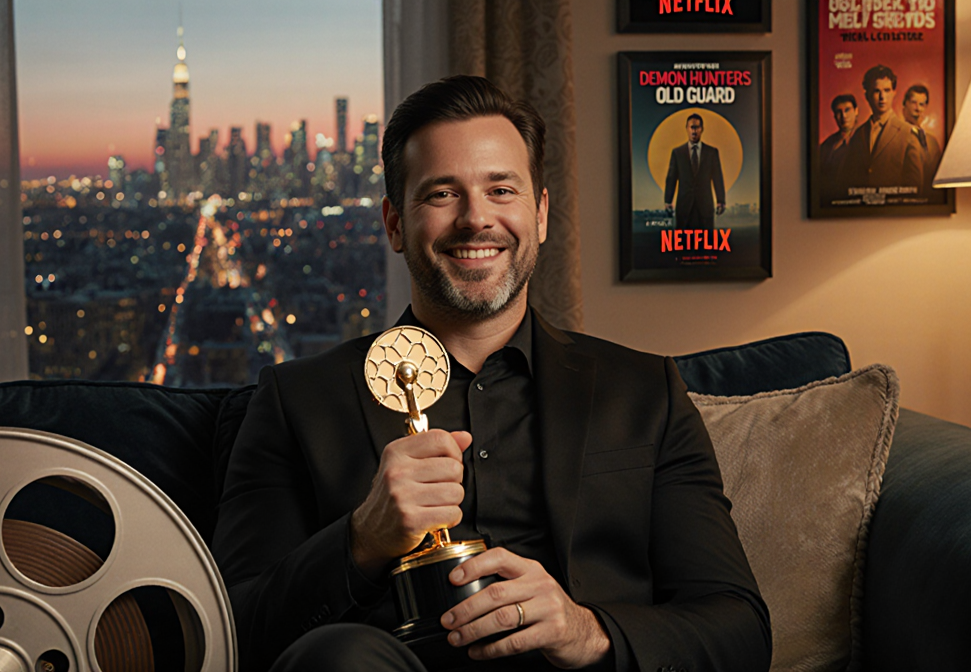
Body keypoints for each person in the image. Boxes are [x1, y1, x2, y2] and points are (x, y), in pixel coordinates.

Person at [212, 75, 771, 672]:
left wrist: (587, 631)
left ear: (542, 213)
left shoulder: (645, 394)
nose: (476, 219)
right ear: (395, 224)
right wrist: (360, 541)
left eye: (501, 190)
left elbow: (738, 630)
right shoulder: (298, 400)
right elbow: (229, 630)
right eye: (441, 195)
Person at [844, 64, 925, 193]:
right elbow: (849, 180)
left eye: (887, 90)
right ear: (867, 96)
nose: (882, 97)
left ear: (894, 93)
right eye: (877, 91)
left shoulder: (907, 133)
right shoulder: (858, 134)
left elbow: (915, 186)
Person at [663, 114, 726, 230]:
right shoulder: (678, 153)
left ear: (702, 129)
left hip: (705, 207)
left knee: (706, 243)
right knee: (683, 244)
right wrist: (668, 200)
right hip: (684, 206)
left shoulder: (711, 153)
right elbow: (671, 178)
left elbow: (717, 177)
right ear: (686, 128)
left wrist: (721, 200)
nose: (694, 131)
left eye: (697, 127)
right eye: (691, 127)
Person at [900, 84, 944, 201]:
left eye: (921, 104)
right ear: (905, 105)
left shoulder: (932, 142)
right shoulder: (895, 137)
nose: (918, 108)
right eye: (913, 103)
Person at [818, 94, 859, 203]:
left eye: (847, 110)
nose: (844, 116)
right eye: (839, 112)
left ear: (856, 111)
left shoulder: (866, 138)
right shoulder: (826, 145)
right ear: (835, 116)